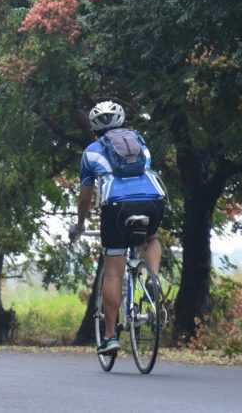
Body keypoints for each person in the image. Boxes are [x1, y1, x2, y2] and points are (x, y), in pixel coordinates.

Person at [69, 100, 166, 356]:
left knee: (113, 270)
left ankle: (110, 337)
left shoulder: (90, 152)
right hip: (153, 200)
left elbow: (85, 198)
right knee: (152, 237)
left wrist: (79, 225)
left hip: (116, 206)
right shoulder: (139, 141)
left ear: (94, 129)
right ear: (122, 122)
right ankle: (152, 279)